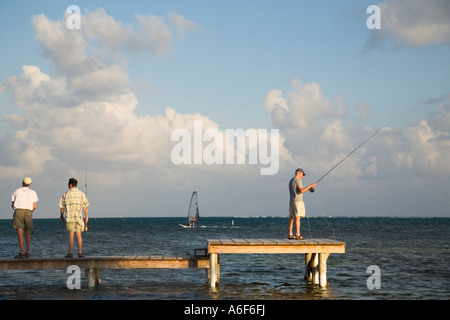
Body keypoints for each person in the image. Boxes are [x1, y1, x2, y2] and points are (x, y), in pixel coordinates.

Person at [59, 178, 89, 258]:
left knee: (71, 235)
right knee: (79, 235)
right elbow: (85, 207)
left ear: (70, 185)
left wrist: (61, 216)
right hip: (79, 217)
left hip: (69, 217)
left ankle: (70, 253)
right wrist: (86, 216)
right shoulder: (81, 194)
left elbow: (62, 207)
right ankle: (80, 252)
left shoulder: (66, 194)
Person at [11, 177, 39, 258]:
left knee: (20, 232)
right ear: (29, 184)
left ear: (22, 183)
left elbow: (12, 205)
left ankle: (22, 253)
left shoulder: (16, 191)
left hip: (18, 211)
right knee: (27, 232)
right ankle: (28, 252)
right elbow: (34, 206)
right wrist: (30, 212)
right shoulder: (33, 192)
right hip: (28, 211)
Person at [288, 168, 316, 240]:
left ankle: (290, 234)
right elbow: (302, 190)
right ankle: (298, 235)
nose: (302, 176)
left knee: (291, 218)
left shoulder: (291, 181)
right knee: (298, 218)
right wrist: (310, 186)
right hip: (298, 201)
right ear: (300, 173)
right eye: (302, 175)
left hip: (292, 201)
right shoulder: (298, 180)